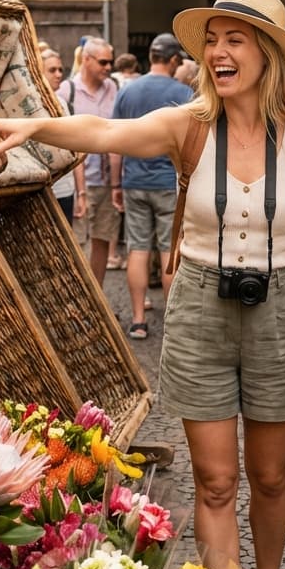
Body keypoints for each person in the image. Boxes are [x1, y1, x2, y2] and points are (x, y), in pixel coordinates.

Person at [0, 0, 285, 569]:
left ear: (269, 55)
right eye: (212, 42)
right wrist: (29, 126)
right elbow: (101, 130)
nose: (218, 53)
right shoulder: (189, 126)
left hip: (279, 307)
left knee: (271, 477)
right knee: (214, 481)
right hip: (202, 303)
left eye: (235, 40)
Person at [110, 32, 193, 339]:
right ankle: (171, 322)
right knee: (169, 252)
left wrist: (116, 185)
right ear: (173, 60)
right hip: (169, 183)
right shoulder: (183, 93)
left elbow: (114, 141)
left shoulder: (128, 92)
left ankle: (138, 320)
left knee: (138, 249)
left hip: (134, 180)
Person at [57, 37, 120, 285]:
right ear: (87, 59)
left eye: (110, 63)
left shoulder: (113, 88)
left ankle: (99, 299)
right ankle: (80, 302)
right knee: (78, 244)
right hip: (77, 181)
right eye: (103, 62)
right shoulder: (67, 91)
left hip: (106, 180)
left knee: (103, 238)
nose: (108, 67)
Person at [41, 49, 85, 224]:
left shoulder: (63, 104)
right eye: (52, 70)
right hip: (44, 189)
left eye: (60, 70)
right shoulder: (30, 105)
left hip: (65, 190)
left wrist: (81, 192)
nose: (58, 74)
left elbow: (75, 149)